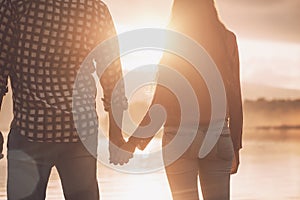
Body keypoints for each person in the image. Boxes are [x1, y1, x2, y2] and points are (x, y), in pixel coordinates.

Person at [0, 0, 128, 199]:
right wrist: (116, 133)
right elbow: (112, 73)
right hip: (80, 129)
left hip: (31, 128)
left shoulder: (16, 5)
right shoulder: (94, 8)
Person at [117, 0, 243, 200]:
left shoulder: (175, 41)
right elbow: (234, 96)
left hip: (180, 137)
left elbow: (161, 100)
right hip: (219, 135)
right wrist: (235, 146)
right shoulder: (227, 39)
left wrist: (133, 143)